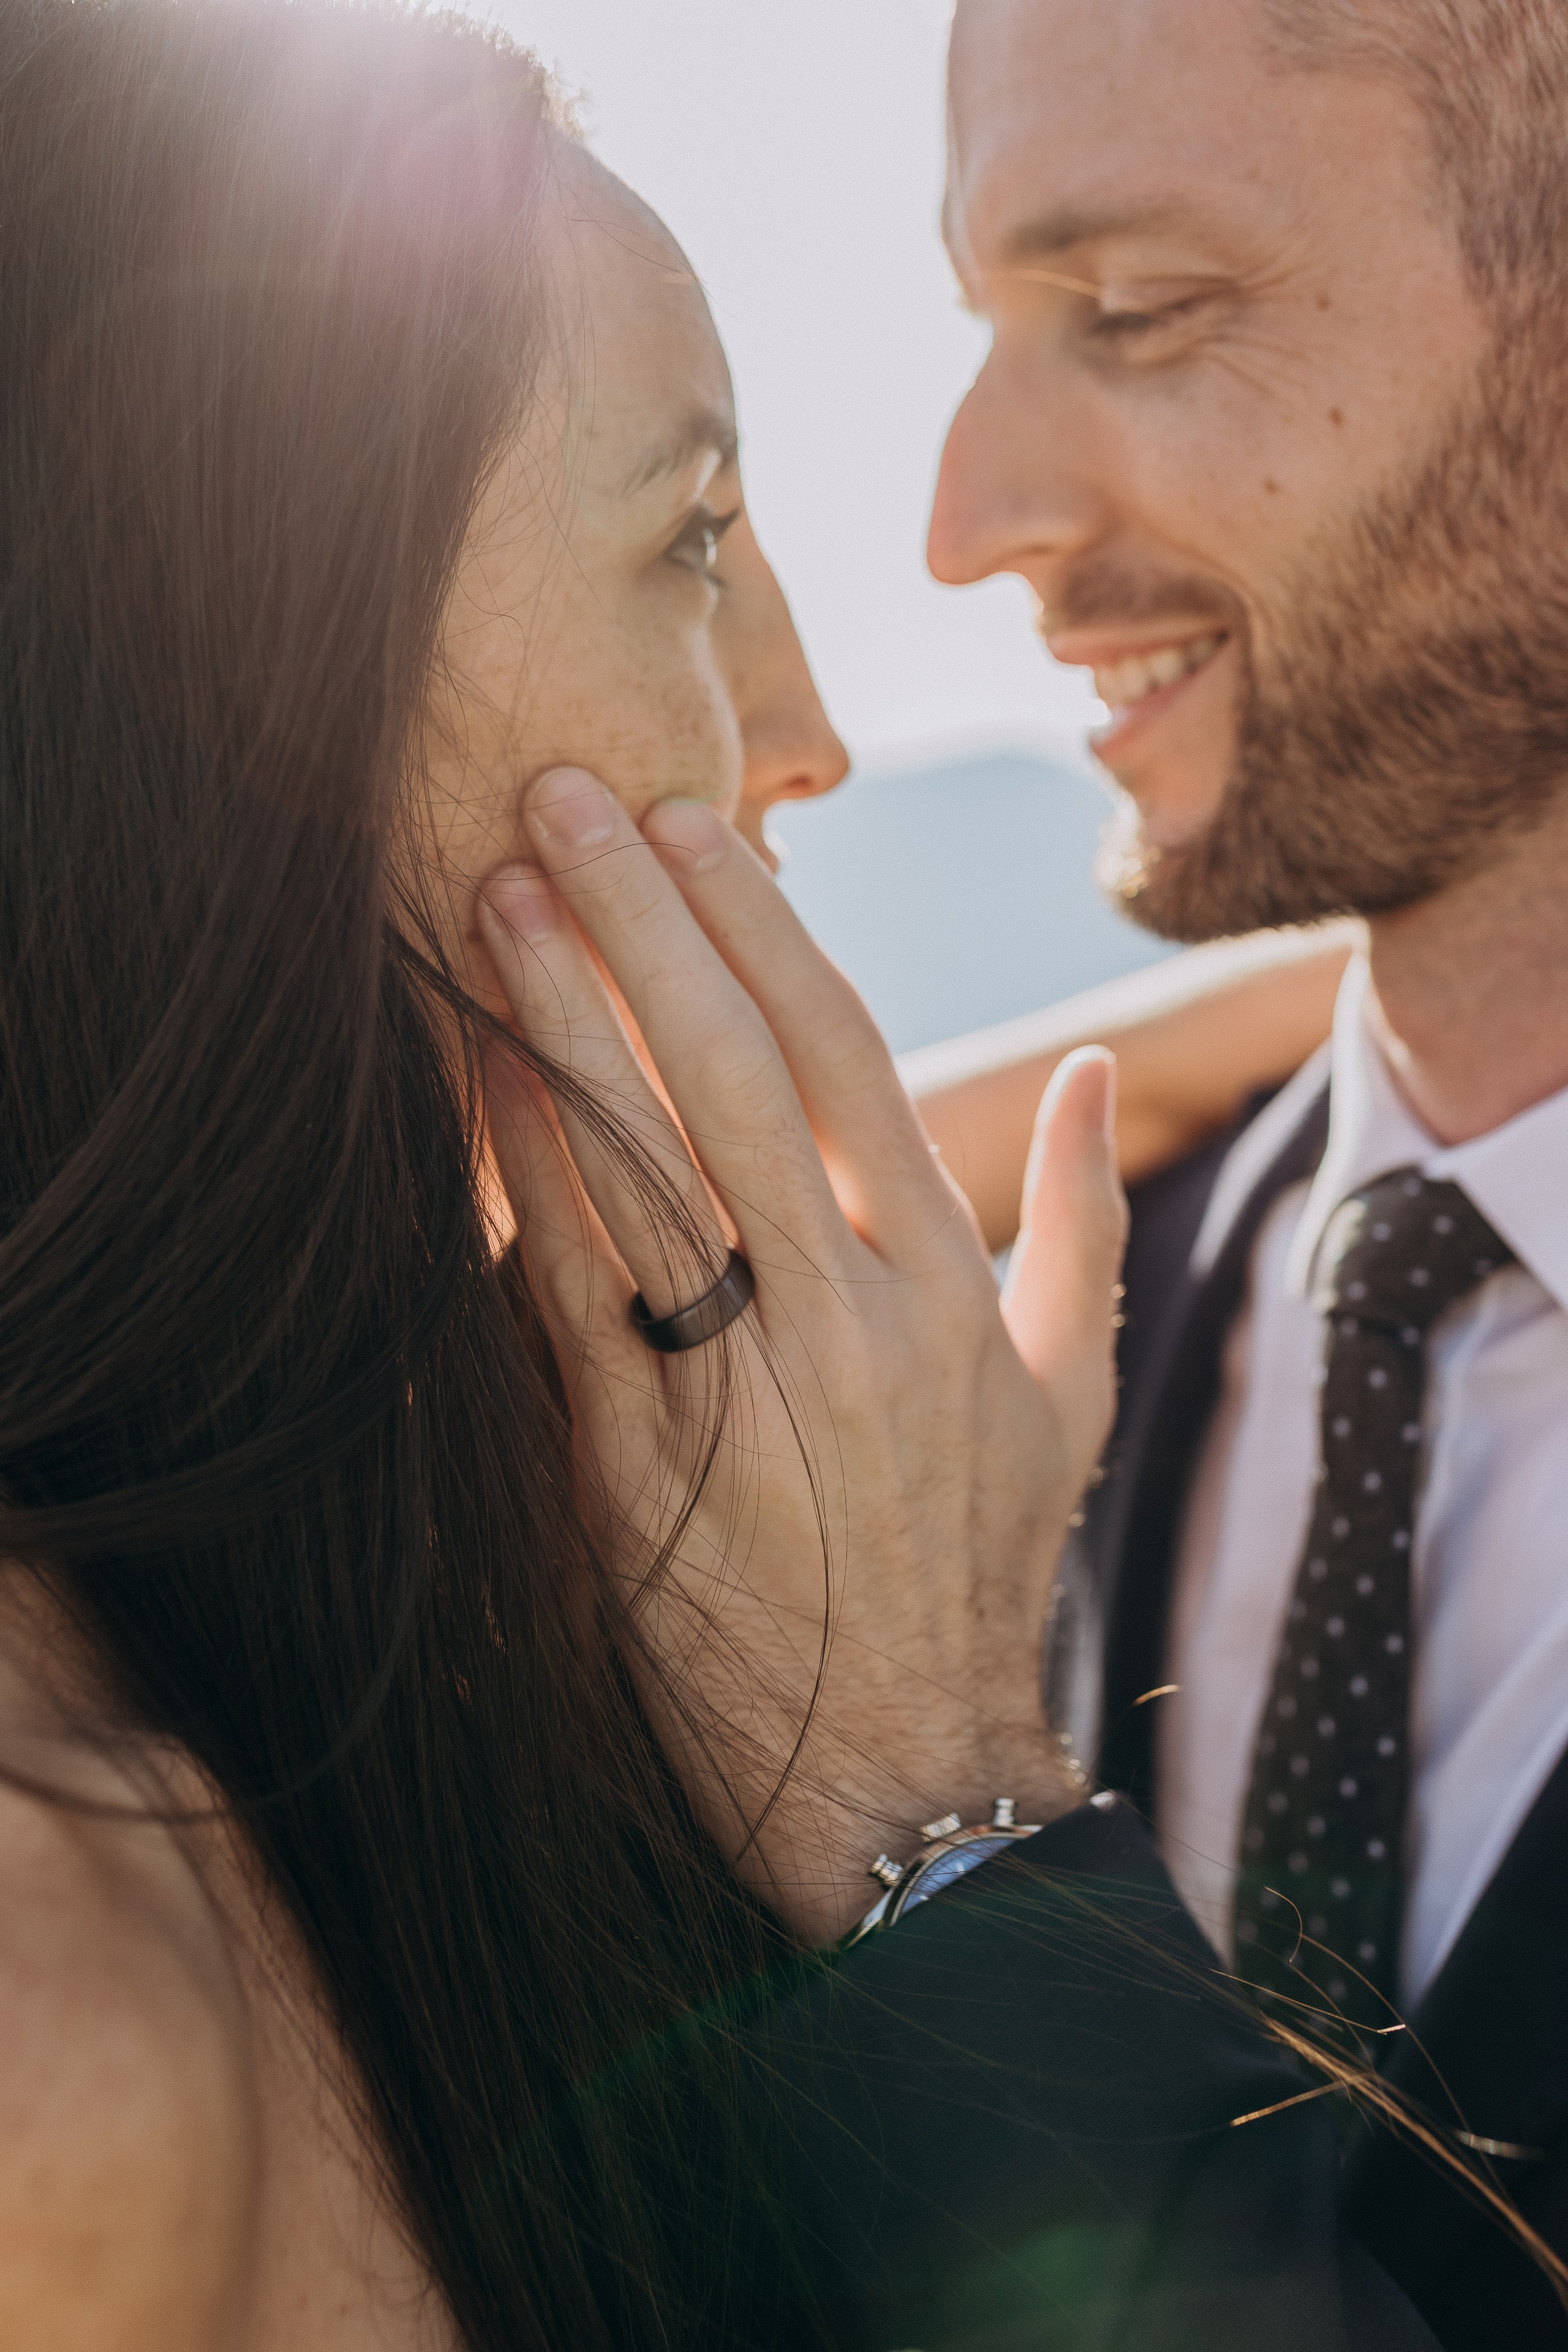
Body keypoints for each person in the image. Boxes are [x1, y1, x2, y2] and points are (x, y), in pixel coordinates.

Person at [2, 4, 1480, 2348]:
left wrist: (1383, 1060)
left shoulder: (461, 1540)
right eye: (693, 535)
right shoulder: (69, 1977)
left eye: (1147, 310)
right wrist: (946, 1812)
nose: (814, 733)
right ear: (252, 701)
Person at [919, 2, 1568, 2345]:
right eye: (984, 328)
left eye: (1137, 313)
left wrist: (936, 1815)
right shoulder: (1078, 1319)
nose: (962, 522)